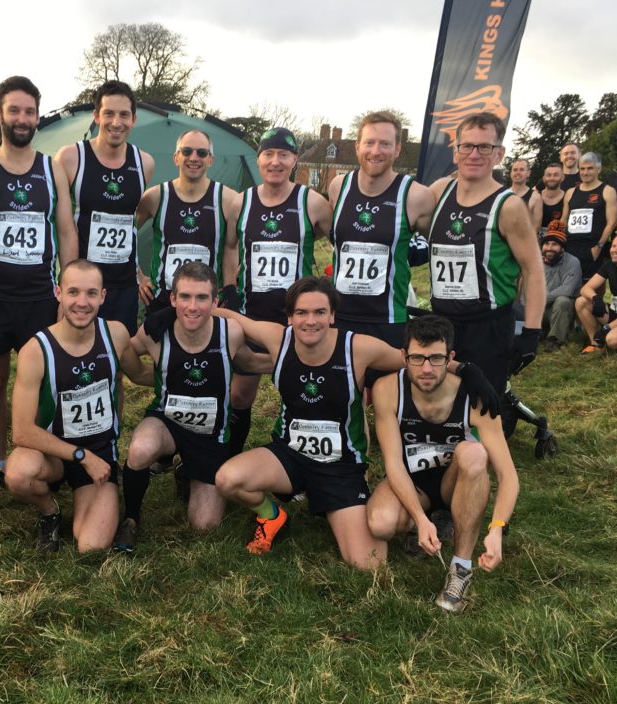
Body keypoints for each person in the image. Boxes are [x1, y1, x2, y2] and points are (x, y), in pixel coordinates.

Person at [213, 277, 499, 568]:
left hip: (341, 466)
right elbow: (226, 315)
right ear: (290, 316)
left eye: (319, 312)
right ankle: (272, 515)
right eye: (301, 313)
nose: (310, 321)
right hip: (289, 455)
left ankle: (335, 503)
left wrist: (464, 369)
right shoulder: (277, 338)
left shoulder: (358, 348)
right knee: (228, 479)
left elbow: (416, 360)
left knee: (369, 564)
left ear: (333, 316)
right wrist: (173, 313)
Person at [0, 76, 78, 498]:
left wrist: (68, 295)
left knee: (47, 385)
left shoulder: (51, 169)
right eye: (14, 110)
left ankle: (48, 459)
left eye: (29, 111)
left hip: (40, 300)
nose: (22, 119)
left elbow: (66, 232)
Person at [366, 314, 517, 613]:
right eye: (417, 358)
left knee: (474, 454)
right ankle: (430, 521)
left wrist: (497, 527)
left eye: (435, 359)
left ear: (450, 358)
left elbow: (508, 475)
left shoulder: (475, 396)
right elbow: (394, 464)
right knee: (380, 523)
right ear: (403, 357)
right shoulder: (387, 389)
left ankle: (460, 568)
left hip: (455, 480)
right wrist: (420, 521)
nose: (426, 369)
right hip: (414, 481)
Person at [4, 259, 148, 552]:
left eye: (91, 293)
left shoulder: (116, 334)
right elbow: (20, 432)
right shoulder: (36, 350)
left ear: (103, 296)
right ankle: (49, 511)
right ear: (58, 293)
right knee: (18, 474)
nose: (82, 302)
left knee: (91, 547)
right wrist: (82, 456)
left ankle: (90, 497)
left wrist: (186, 365)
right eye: (73, 292)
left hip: (99, 452)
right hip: (53, 454)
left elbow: (142, 374)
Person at [115, 261, 244, 552]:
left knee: (205, 527)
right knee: (139, 449)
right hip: (168, 421)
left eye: (201, 298)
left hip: (210, 434)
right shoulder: (156, 331)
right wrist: (156, 371)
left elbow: (256, 357)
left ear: (215, 301)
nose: (192, 306)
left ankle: (184, 468)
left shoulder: (232, 332)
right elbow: (125, 351)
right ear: (172, 299)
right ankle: (131, 519)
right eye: (184, 297)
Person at [223, 127, 333, 456]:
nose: (275, 161)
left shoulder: (312, 203)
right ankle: (227, 456)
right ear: (258, 160)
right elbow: (230, 247)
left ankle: (297, 458)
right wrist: (229, 287)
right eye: (268, 154)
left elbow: (337, 244)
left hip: (297, 317)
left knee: (301, 391)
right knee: (240, 394)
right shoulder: (240, 203)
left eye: (283, 155)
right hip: (252, 313)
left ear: (295, 160)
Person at [426, 112, 546, 397]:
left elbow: (533, 270)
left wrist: (531, 332)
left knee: (482, 407)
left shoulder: (509, 206)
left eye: (485, 147)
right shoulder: (439, 191)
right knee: (440, 403)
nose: (474, 154)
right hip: (443, 322)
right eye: (466, 146)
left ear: (499, 154)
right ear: (455, 152)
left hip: (487, 326)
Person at [326, 111, 435, 359]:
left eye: (385, 144)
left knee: (385, 396)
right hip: (341, 316)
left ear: (397, 149)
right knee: (343, 395)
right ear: (357, 147)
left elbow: (438, 243)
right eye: (369, 142)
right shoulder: (338, 187)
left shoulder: (417, 196)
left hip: (387, 319)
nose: (376, 151)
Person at [55, 81, 155, 336]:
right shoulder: (70, 157)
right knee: (76, 353)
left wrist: (139, 274)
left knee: (117, 359)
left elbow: (128, 222)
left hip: (123, 285)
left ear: (134, 119)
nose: (116, 122)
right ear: (96, 115)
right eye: (108, 113)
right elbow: (57, 221)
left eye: (124, 115)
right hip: (83, 284)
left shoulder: (144, 162)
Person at [136, 129, 237, 316]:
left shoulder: (228, 199)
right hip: (163, 300)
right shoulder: (155, 197)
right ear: (176, 157)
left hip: (205, 303)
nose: (194, 157)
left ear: (210, 159)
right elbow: (126, 233)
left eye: (202, 152)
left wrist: (230, 287)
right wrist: (139, 277)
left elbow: (235, 247)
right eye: (187, 151)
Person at [561, 152, 617, 282]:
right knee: (568, 286)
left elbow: (611, 222)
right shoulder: (570, 192)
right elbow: (564, 219)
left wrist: (598, 247)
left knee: (591, 290)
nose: (585, 172)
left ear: (599, 169)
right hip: (570, 247)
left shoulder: (607, 191)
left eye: (590, 168)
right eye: (582, 169)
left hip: (592, 247)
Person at [538, 220, 581, 351]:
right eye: (546, 244)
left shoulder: (572, 262)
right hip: (537, 310)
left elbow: (567, 290)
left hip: (559, 311)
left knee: (563, 301)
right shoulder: (535, 261)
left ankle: (555, 340)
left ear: (562, 248)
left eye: (554, 244)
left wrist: (540, 301)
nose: (549, 248)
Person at [508, 157, 541, 231]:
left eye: (521, 170)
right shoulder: (502, 194)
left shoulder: (535, 197)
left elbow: (536, 227)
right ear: (511, 173)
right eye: (515, 170)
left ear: (528, 173)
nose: (518, 172)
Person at [538, 163, 566, 238]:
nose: (552, 178)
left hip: (558, 241)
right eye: (549, 175)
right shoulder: (536, 197)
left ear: (562, 177)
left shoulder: (567, 198)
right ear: (544, 178)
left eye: (556, 175)